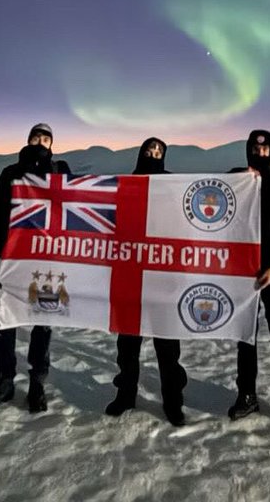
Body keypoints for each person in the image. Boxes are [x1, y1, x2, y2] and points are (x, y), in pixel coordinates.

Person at [0, 122, 71, 413]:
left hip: (47, 259)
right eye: (36, 138)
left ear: (52, 145)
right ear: (28, 140)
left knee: (43, 322)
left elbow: (74, 207)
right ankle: (5, 379)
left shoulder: (59, 171)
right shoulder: (11, 173)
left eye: (46, 139)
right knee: (6, 321)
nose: (41, 143)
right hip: (13, 257)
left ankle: (37, 382)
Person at [104, 137, 188, 426]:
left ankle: (173, 401)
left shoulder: (173, 186)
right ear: (141, 154)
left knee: (168, 347)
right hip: (130, 275)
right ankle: (125, 394)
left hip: (163, 276)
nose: (154, 155)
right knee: (127, 345)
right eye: (149, 151)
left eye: (159, 152)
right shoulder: (126, 185)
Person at [228, 128, 270, 422]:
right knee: (246, 337)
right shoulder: (237, 179)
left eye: (265, 149)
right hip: (242, 272)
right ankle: (246, 395)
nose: (260, 153)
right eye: (256, 149)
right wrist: (238, 181)